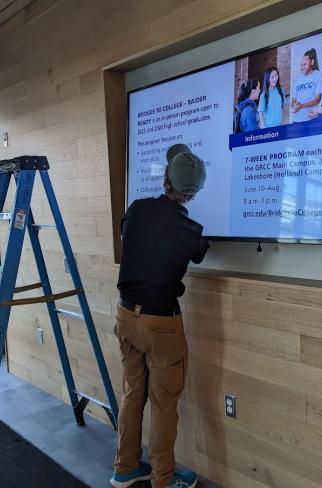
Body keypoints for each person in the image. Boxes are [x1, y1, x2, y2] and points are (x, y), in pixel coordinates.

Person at [110, 143, 209, 488]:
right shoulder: (191, 231)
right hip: (162, 325)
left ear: (166, 179)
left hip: (126, 315)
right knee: (164, 403)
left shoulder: (136, 209)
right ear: (193, 193)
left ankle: (124, 467)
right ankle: (163, 480)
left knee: (132, 392)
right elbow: (199, 253)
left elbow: (129, 231)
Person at [290, 48, 322, 122]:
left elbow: (317, 100)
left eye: (304, 64)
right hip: (296, 120)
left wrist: (302, 106)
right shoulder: (297, 79)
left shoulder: (318, 75)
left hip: (311, 119)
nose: (302, 67)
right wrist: (294, 105)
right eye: (301, 65)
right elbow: (293, 101)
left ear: (312, 62)